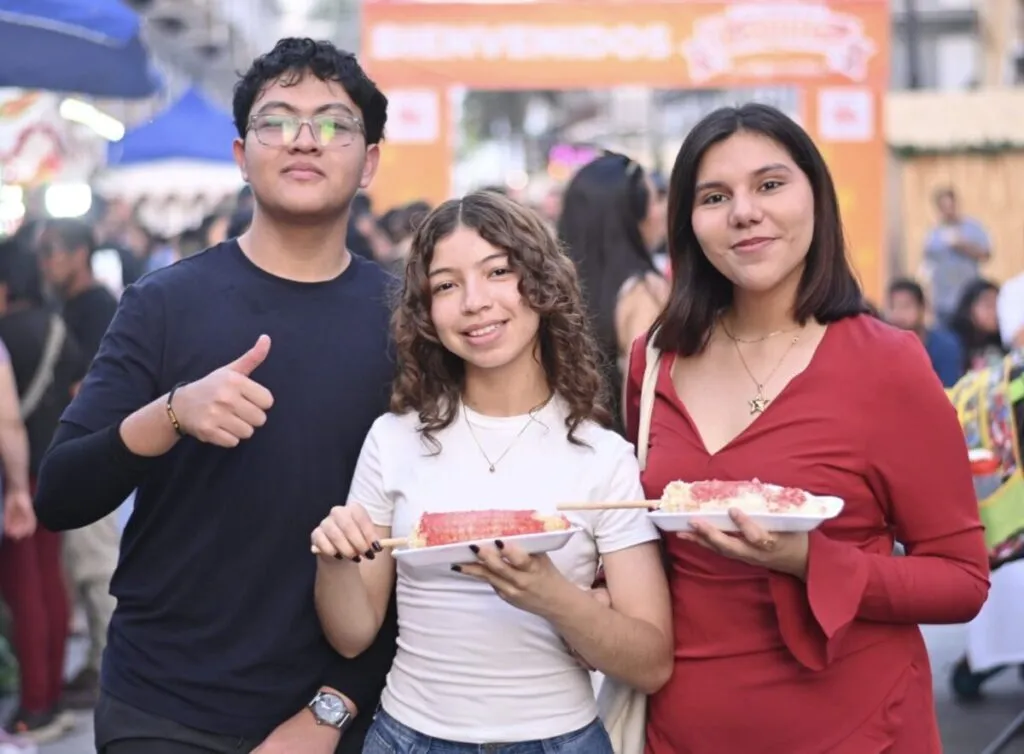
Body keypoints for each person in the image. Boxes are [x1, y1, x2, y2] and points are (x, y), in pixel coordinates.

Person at [33, 37, 396, 754]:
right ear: (240, 155)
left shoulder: (407, 318)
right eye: (276, 121)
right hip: (163, 705)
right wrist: (171, 414)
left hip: (335, 709)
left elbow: (421, 543)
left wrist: (332, 710)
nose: (303, 140)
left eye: (333, 124)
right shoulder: (163, 303)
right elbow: (61, 494)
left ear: (369, 162)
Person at [627, 103, 990, 753]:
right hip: (681, 731)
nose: (744, 212)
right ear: (687, 221)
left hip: (859, 730)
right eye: (715, 196)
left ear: (816, 196)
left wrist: (808, 562)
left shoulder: (887, 363)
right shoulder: (653, 361)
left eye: (770, 184)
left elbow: (961, 581)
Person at [311, 190, 673, 754]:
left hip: (559, 739)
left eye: (498, 271)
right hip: (408, 738)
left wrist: (551, 595)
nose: (474, 302)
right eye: (446, 285)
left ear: (543, 284)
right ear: (426, 310)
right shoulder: (393, 439)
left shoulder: (602, 455)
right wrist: (334, 562)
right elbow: (353, 636)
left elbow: (651, 663)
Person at [0, 243, 87, 742]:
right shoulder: (53, 324)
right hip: (53, 469)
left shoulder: (7, 334)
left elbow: (8, 421)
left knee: (24, 591)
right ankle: (48, 694)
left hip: (17, 479)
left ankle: (35, 705)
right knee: (50, 583)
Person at [35, 218, 121, 709]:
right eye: (43, 253)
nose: (47, 262)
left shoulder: (99, 307)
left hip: (93, 454)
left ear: (80, 252)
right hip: (69, 455)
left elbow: (96, 386)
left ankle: (108, 665)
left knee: (95, 564)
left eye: (53, 251)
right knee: (77, 565)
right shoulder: (63, 304)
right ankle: (97, 661)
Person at [559, 153, 668, 432]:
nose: (663, 210)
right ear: (633, 213)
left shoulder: (554, 290)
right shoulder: (641, 294)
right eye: (656, 199)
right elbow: (648, 401)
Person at [923, 186, 991, 326]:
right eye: (944, 207)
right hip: (943, 301)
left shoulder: (972, 228)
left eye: (950, 206)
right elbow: (927, 268)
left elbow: (986, 254)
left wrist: (963, 246)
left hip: (968, 298)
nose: (948, 211)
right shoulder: (933, 235)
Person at [884, 277, 963, 387]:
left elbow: (949, 390)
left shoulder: (945, 347)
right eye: (892, 307)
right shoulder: (884, 349)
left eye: (905, 306)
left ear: (922, 308)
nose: (898, 314)